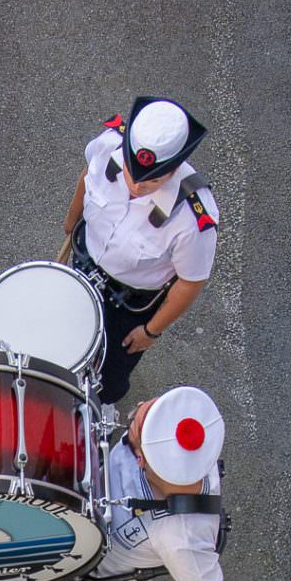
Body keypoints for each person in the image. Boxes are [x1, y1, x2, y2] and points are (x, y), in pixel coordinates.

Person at [30, 386, 235, 581]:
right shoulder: (165, 425)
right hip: (87, 518)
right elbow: (144, 413)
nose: (136, 455)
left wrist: (187, 577)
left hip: (97, 580)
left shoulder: (184, 541)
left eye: (141, 455)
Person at [62, 98, 219, 407]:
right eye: (132, 173)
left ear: (173, 169)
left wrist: (150, 331)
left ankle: (98, 412)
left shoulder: (194, 219)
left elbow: (190, 282)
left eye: (153, 181)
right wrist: (70, 222)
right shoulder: (109, 144)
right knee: (65, 334)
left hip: (129, 303)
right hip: (86, 262)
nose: (135, 185)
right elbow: (86, 176)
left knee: (109, 372)